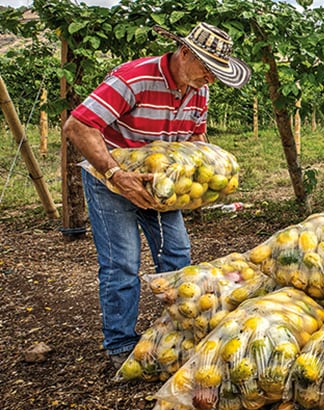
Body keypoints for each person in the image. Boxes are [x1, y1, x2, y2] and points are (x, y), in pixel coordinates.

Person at [63, 22, 251, 369]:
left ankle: (179, 331)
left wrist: (209, 170)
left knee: (177, 252)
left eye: (217, 74)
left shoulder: (199, 89)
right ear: (184, 53)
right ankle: (120, 343)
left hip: (160, 187)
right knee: (122, 262)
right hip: (111, 180)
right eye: (208, 69)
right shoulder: (135, 78)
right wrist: (116, 174)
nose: (211, 80)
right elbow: (78, 126)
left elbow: (195, 139)